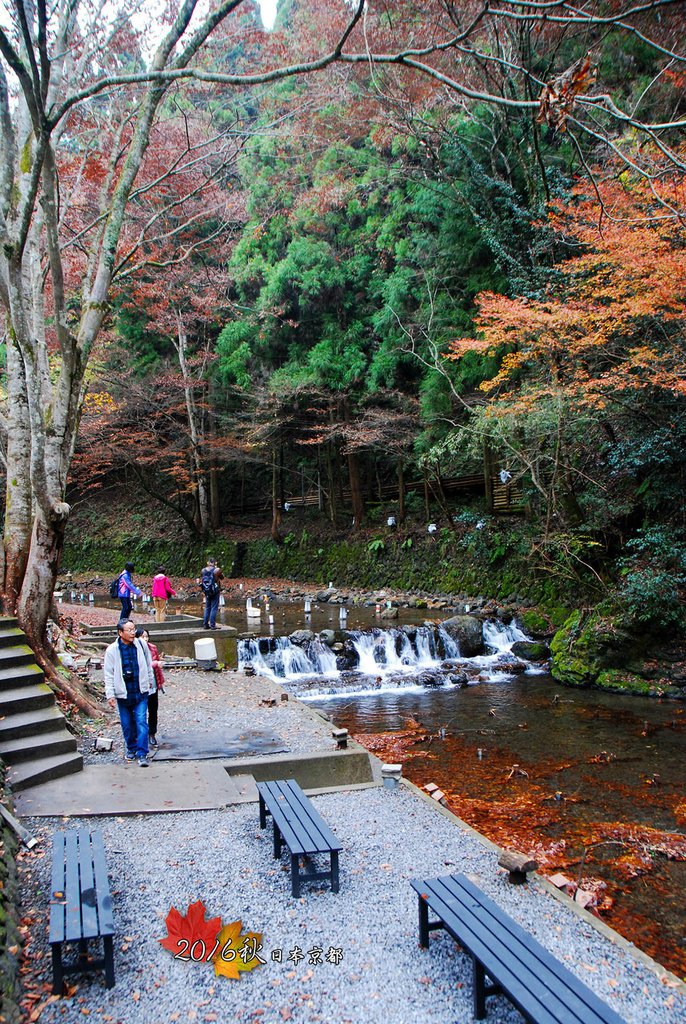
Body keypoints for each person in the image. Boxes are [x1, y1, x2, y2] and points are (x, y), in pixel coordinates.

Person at [104, 619, 154, 767]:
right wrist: (110, 694)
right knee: (126, 724)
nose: (133, 633)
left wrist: (150, 680)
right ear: (120, 633)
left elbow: (148, 662)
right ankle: (131, 747)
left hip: (140, 691)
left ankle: (142, 753)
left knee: (141, 721)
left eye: (134, 629)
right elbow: (108, 673)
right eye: (129, 630)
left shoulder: (141, 645)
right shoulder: (112, 650)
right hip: (123, 693)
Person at [136, 627, 166, 748]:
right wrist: (155, 664)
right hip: (140, 685)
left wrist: (160, 682)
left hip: (153, 683)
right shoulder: (135, 649)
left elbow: (157, 668)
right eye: (142, 636)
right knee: (140, 712)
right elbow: (143, 664)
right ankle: (140, 736)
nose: (145, 639)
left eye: (147, 636)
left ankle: (152, 733)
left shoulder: (152, 648)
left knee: (153, 710)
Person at [199, 556, 223, 630]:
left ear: (208, 563)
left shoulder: (203, 570)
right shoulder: (217, 570)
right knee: (214, 608)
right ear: (215, 563)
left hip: (206, 591)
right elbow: (222, 577)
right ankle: (212, 625)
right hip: (215, 591)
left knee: (207, 608)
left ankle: (205, 624)